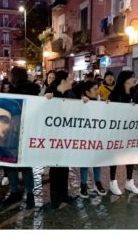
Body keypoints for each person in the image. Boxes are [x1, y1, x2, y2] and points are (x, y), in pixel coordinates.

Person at [2, 67, 39, 209]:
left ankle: (15, 191)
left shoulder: (14, 92)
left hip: (14, 132)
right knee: (25, 164)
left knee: (11, 163)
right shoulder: (34, 90)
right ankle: (30, 194)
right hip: (27, 131)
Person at [45, 70, 76, 209]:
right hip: (53, 137)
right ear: (63, 81)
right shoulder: (50, 91)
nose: (72, 81)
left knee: (64, 167)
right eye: (70, 79)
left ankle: (64, 194)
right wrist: (46, 98)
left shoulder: (71, 94)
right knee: (55, 168)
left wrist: (85, 100)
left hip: (67, 135)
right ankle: (54, 197)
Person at [107, 71, 138, 195]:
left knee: (130, 155)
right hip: (117, 131)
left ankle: (129, 182)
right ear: (126, 80)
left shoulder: (134, 92)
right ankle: (112, 182)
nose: (135, 79)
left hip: (130, 130)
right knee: (115, 157)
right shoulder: (115, 94)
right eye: (133, 77)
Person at [78, 80, 106, 198]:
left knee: (97, 160)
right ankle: (83, 185)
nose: (97, 91)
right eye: (94, 89)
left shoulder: (100, 102)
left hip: (97, 136)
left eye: (97, 88)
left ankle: (98, 182)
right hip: (84, 137)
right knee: (84, 162)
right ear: (87, 92)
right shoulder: (80, 102)